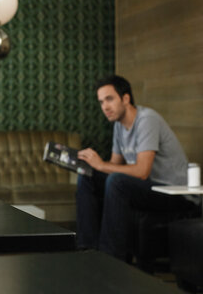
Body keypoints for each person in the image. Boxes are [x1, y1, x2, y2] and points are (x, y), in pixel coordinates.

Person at [76, 75, 199, 261]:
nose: (105, 107)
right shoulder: (119, 126)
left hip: (173, 192)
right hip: (150, 187)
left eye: (109, 99)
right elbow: (113, 166)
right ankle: (87, 250)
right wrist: (88, 165)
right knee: (87, 176)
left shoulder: (147, 120)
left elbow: (142, 172)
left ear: (125, 98)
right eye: (101, 102)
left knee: (117, 181)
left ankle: (111, 258)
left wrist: (101, 164)